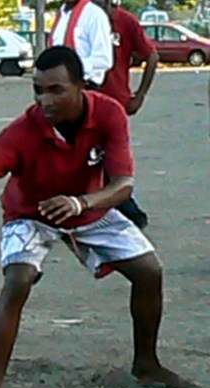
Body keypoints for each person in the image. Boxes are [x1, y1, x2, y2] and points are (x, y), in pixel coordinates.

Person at [0, 46, 196, 388]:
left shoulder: (108, 113)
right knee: (17, 279)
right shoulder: (27, 128)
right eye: (38, 90)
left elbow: (123, 185)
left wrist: (81, 203)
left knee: (150, 271)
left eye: (56, 90)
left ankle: (146, 363)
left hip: (90, 207)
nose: (45, 100)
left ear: (81, 86)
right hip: (31, 214)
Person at [94, 0, 159, 229]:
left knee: (114, 156)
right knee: (88, 153)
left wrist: (140, 95)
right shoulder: (84, 19)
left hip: (116, 103)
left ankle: (125, 205)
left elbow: (151, 55)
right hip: (86, 100)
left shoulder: (125, 21)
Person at [49, 0, 114, 90]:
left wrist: (72, 66)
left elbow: (104, 59)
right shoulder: (60, 15)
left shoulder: (95, 15)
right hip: (58, 84)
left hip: (84, 85)